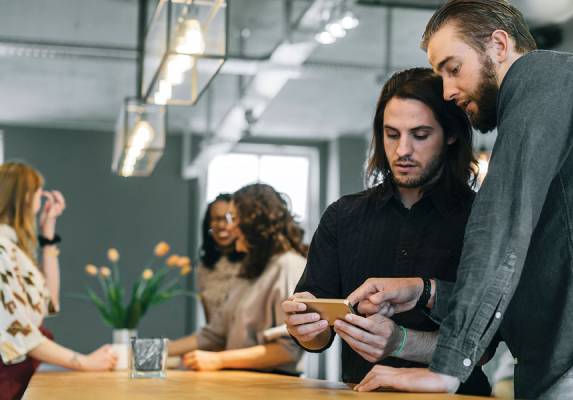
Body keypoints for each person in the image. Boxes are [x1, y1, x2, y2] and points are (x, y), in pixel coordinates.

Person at [347, 1, 573, 398]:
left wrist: (446, 369)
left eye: (453, 68)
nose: (447, 92)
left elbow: (500, 222)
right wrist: (426, 291)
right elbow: (527, 283)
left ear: (499, 45)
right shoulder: (557, 94)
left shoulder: (542, 76)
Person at [282, 68, 491, 395]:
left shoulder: (483, 218)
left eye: (420, 135)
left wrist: (400, 342)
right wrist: (306, 328)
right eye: (391, 134)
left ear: (450, 134)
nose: (402, 150)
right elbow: (318, 334)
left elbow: (484, 346)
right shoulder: (343, 216)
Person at [0, 162, 116, 399]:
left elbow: (48, 302)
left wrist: (48, 235)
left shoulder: (11, 248)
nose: (40, 200)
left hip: (17, 377)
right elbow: (21, 332)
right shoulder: (2, 249)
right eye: (37, 192)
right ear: (22, 197)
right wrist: (84, 362)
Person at [169, 183, 307, 375]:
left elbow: (288, 350)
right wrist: (160, 351)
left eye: (233, 218)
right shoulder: (249, 268)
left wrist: (219, 359)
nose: (229, 227)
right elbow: (215, 333)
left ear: (255, 223)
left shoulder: (288, 266)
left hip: (274, 384)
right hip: (240, 380)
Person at [196, 193, 244, 324]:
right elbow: (209, 323)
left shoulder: (252, 265)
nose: (223, 225)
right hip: (215, 342)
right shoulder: (203, 269)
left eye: (229, 219)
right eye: (216, 219)